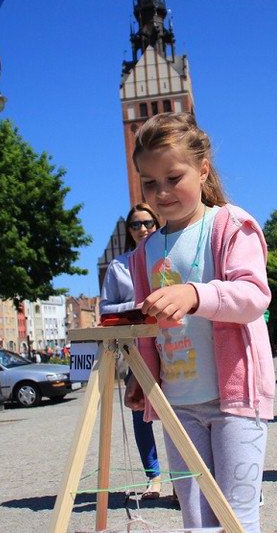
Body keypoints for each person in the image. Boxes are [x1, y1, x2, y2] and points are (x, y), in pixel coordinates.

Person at [125, 112, 274, 533]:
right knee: (196, 521)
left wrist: (194, 294)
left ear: (202, 169)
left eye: (173, 177)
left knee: (236, 519)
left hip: (236, 400)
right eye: (150, 183)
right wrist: (143, 379)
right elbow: (149, 329)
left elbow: (252, 297)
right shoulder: (144, 253)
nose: (162, 192)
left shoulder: (229, 224)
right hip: (178, 406)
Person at [100, 202, 165, 500]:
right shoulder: (119, 265)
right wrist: (137, 307)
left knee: (179, 411)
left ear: (157, 224)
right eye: (137, 224)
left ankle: (183, 480)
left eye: (149, 223)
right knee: (141, 413)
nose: (143, 229)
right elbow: (105, 309)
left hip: (174, 345)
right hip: (138, 350)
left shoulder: (168, 255)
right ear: (129, 230)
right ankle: (154, 477)